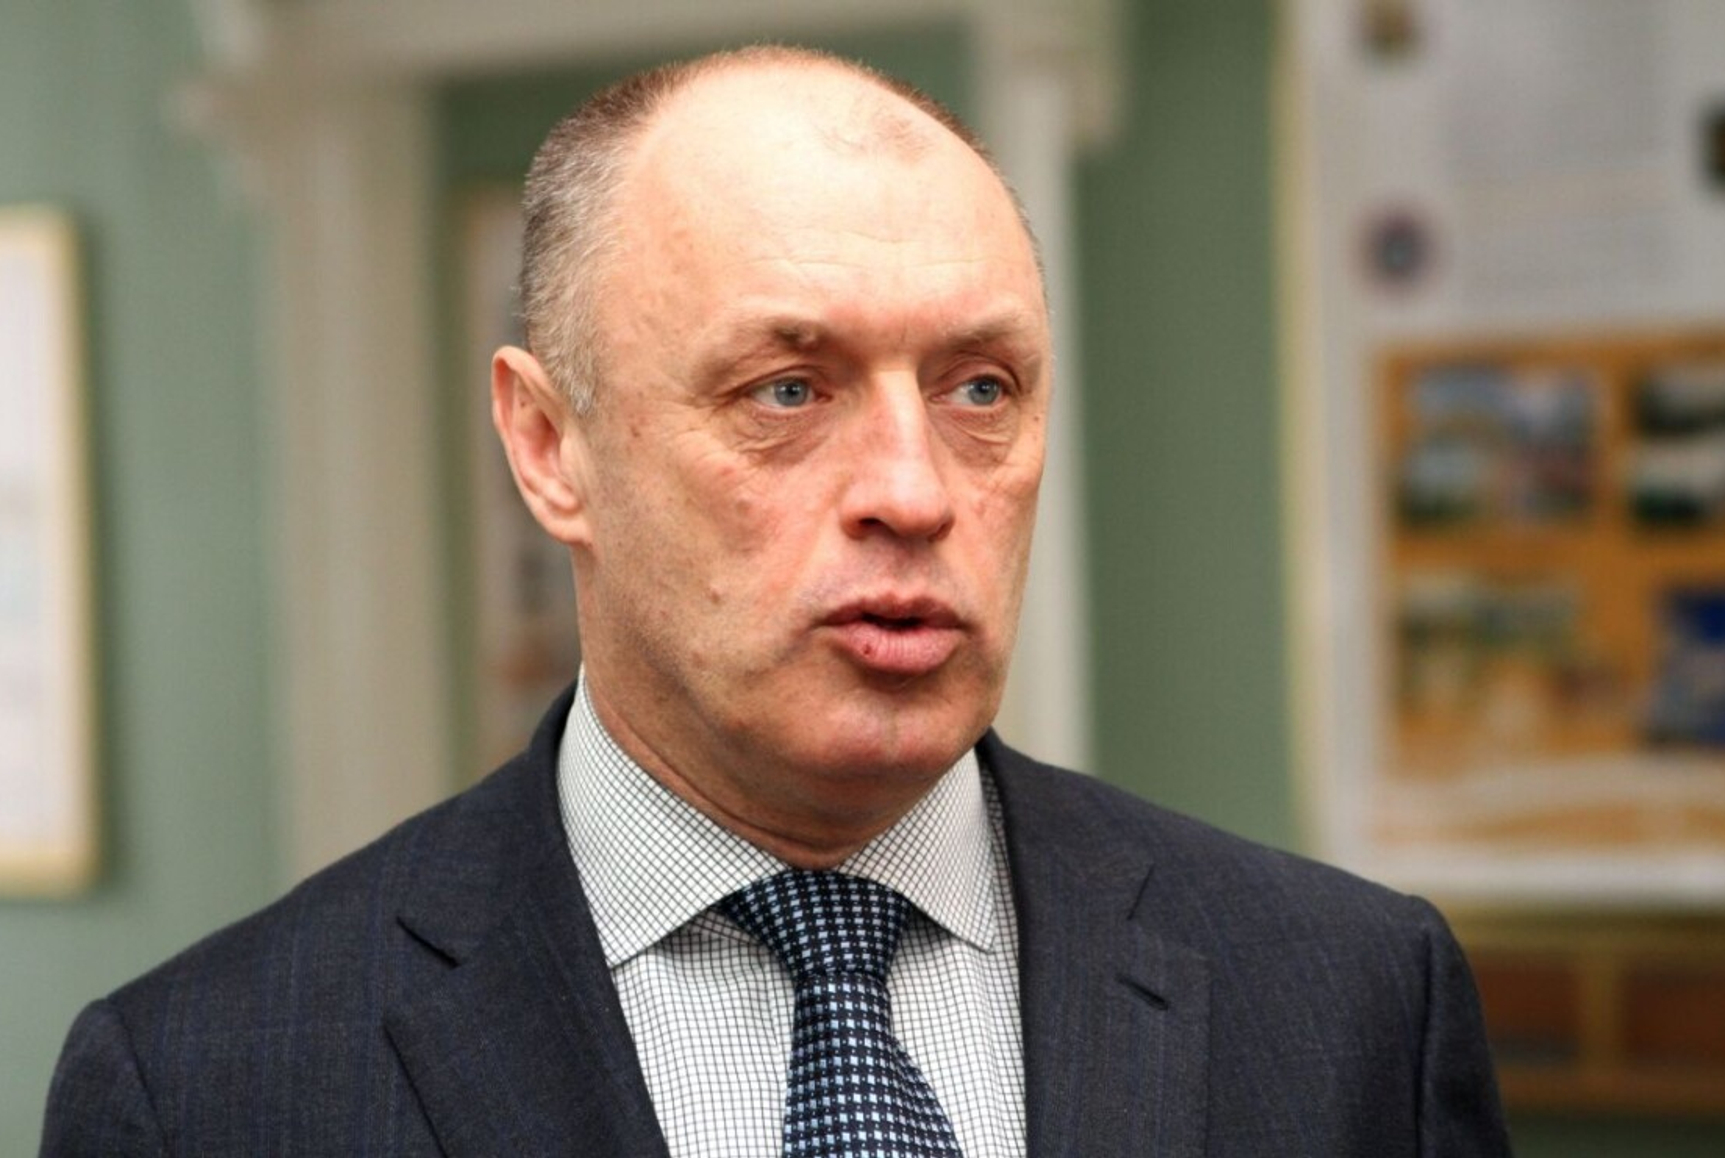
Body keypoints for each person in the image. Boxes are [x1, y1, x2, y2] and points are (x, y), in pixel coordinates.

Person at [41, 46, 1509, 1156]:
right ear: (549, 447)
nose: (914, 491)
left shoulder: (1349, 1003)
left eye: (979, 389)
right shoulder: (209, 1086)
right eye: (788, 390)